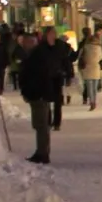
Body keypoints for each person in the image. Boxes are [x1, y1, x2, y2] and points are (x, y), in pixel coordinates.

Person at [19, 30, 63, 164]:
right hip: (39, 93)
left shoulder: (37, 56)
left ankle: (42, 153)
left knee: (41, 125)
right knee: (40, 124)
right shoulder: (37, 54)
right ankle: (42, 151)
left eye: (25, 43)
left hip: (39, 94)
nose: (23, 45)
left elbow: (38, 76)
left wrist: (32, 91)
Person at [78, 32, 102, 111]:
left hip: (87, 68)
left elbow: (80, 56)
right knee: (94, 87)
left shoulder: (85, 47)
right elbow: (101, 57)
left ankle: (92, 102)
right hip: (96, 68)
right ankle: (95, 101)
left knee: (89, 87)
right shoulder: (98, 48)